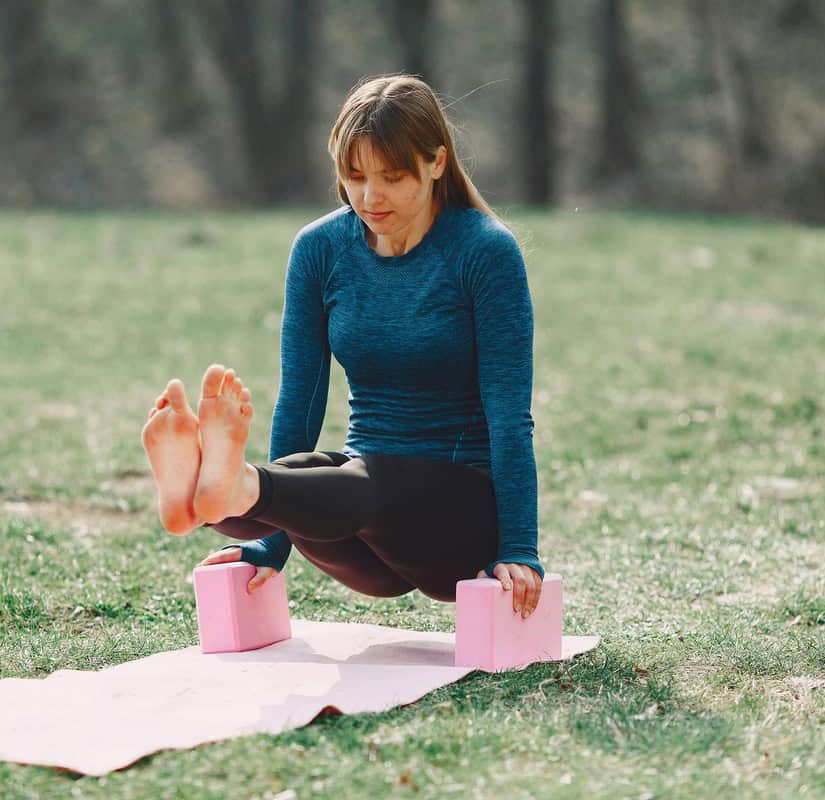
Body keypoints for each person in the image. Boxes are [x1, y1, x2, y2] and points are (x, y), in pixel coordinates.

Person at [141, 74, 544, 617]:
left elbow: (509, 415)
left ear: (437, 164)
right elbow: (301, 399)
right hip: (362, 532)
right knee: (310, 470)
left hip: (460, 529)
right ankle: (204, 492)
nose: (370, 197)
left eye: (393, 177)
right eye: (355, 176)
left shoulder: (484, 252)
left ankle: (231, 489)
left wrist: (519, 548)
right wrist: (269, 544)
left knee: (364, 480)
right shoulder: (320, 249)